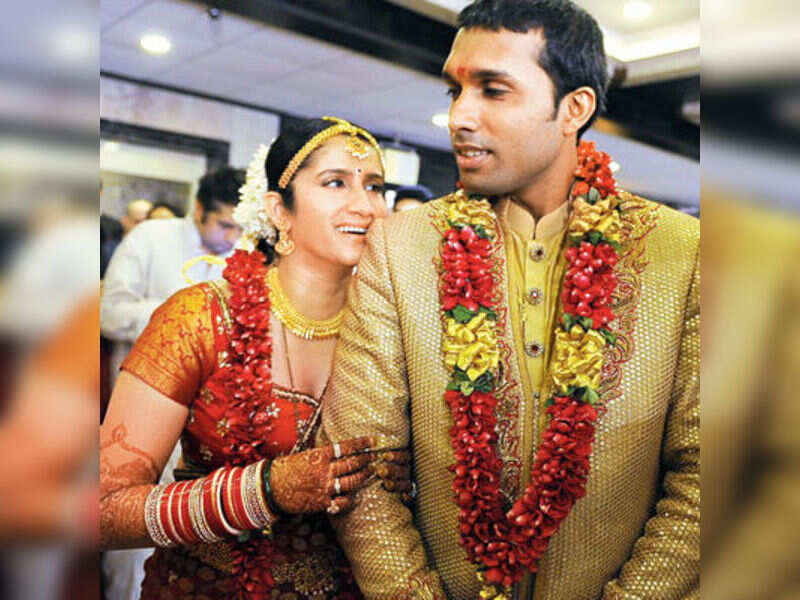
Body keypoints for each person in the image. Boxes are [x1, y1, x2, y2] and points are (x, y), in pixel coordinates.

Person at [322, 2, 699, 599]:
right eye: (455, 91)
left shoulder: (684, 252)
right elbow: (364, 467)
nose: (460, 116)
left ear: (574, 108)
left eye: (493, 90)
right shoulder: (400, 248)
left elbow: (707, 472)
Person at [100, 117, 410, 600]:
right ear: (278, 210)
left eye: (375, 187)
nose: (366, 206)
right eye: (335, 183)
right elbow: (103, 510)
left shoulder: (394, 329)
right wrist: (264, 491)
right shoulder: (200, 319)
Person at [100, 168, 244, 600]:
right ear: (198, 210)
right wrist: (185, 317)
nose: (232, 237)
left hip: (208, 424)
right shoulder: (152, 238)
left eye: (239, 227)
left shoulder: (246, 251)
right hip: (145, 409)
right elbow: (109, 313)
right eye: (224, 225)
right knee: (129, 531)